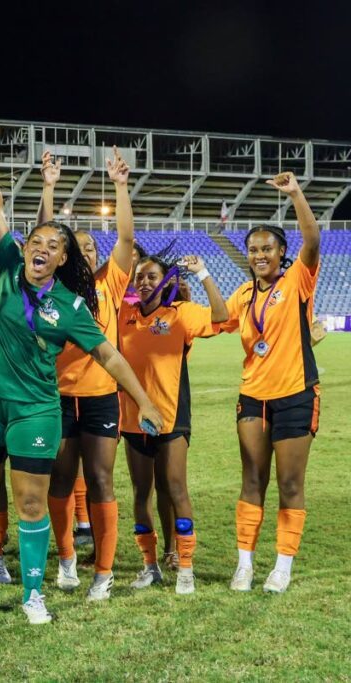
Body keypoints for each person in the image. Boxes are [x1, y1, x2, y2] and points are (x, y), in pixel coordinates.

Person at [0, 124, 163, 624]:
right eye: (37, 240)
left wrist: (143, 400)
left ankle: (34, 593)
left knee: (31, 502)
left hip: (35, 410)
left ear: (62, 258)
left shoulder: (72, 306)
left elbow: (111, 357)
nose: (42, 248)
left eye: (54, 246)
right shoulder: (7, 265)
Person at [38, 147, 136, 601]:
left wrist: (120, 187)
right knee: (59, 480)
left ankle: (104, 569)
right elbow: (38, 238)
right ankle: (66, 559)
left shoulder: (110, 282)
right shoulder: (50, 290)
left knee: (100, 479)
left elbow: (126, 241)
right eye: (81, 247)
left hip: (100, 396)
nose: (90, 251)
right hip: (58, 396)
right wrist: (49, 188)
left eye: (94, 245)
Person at [221, 172, 322, 594]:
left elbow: (313, 240)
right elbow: (215, 320)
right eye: (254, 249)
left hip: (296, 394)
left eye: (268, 248)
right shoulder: (243, 294)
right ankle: (244, 564)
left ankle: (282, 566)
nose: (260, 255)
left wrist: (296, 194)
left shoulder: (298, 279)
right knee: (251, 479)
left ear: (282, 253)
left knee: (291, 483)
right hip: (253, 397)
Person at [119, 251, 228, 594]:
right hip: (133, 418)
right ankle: (150, 565)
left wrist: (204, 272)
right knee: (141, 493)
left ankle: (185, 566)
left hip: (171, 416)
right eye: (140, 277)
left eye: (152, 276)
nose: (145, 282)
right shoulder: (125, 315)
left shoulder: (181, 314)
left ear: (165, 281)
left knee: (176, 487)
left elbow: (222, 316)